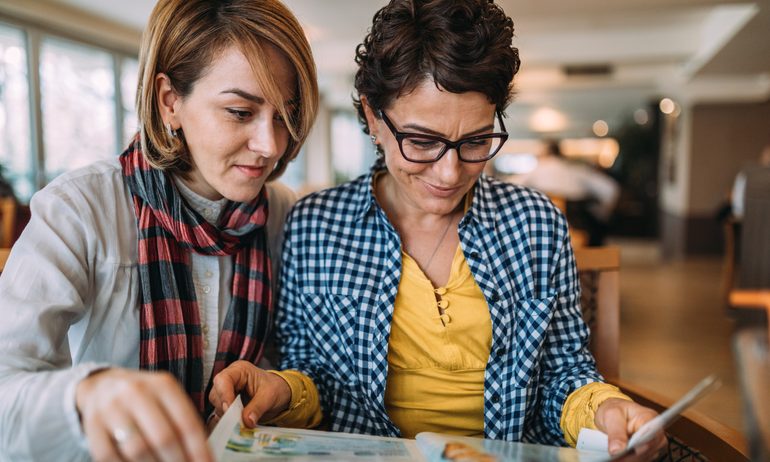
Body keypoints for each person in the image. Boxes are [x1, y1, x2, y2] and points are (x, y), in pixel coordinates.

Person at [210, 0, 665, 459]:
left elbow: (563, 376)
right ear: (372, 117)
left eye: (476, 141)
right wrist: (279, 389)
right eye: (422, 141)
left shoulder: (535, 223)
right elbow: (315, 378)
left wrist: (603, 408)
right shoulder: (315, 226)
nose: (449, 174)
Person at [0, 0, 318, 460]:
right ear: (170, 101)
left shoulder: (286, 214)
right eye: (239, 112)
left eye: (284, 114)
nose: (270, 146)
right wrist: (86, 395)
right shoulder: (80, 209)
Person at [514, 139, 620, 246]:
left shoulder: (534, 171)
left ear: (544, 153)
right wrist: (602, 215)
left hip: (538, 230)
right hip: (580, 228)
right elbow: (610, 189)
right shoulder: (575, 170)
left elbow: (509, 188)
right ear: (561, 154)